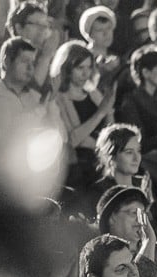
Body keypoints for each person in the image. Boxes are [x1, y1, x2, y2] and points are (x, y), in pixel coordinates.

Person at [50, 40, 116, 189]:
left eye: (89, 67)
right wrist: (101, 113)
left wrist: (109, 112)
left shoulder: (92, 92)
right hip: (80, 165)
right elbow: (73, 140)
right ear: (66, 68)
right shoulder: (59, 98)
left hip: (104, 158)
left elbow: (110, 128)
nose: (86, 73)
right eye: (80, 68)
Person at [95, 185, 157, 277]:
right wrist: (148, 242)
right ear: (112, 218)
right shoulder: (104, 257)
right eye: (134, 213)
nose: (140, 220)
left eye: (143, 214)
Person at [91, 123, 157, 214]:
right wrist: (146, 205)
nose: (136, 158)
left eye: (138, 151)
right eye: (129, 152)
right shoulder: (99, 192)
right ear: (111, 157)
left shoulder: (142, 184)